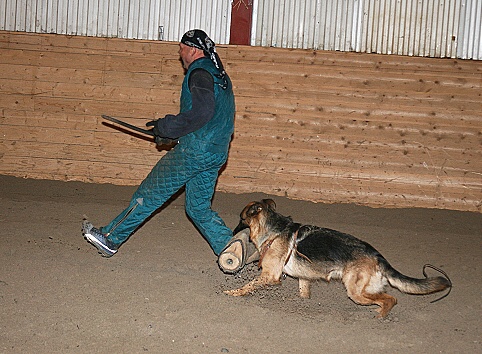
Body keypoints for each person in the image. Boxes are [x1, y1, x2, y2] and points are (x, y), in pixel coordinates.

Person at [82, 29, 239, 259]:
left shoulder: (200, 73)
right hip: (215, 152)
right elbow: (213, 117)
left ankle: (110, 238)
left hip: (194, 151)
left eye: (182, 48)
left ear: (193, 50)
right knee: (198, 208)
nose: (180, 53)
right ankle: (231, 249)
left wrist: (166, 127)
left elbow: (202, 113)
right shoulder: (219, 75)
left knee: (150, 192)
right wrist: (173, 131)